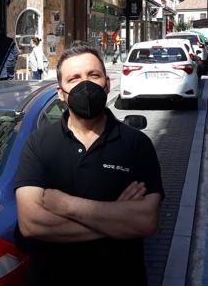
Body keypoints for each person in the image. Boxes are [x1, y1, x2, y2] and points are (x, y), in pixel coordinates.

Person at [14, 44, 164, 286]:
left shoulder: (136, 145)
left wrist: (64, 204)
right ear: (61, 93)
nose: (85, 84)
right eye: (74, 78)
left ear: (107, 83)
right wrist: (117, 219)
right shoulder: (39, 143)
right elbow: (32, 223)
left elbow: (146, 220)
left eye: (93, 75)